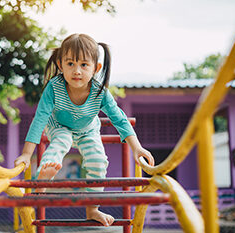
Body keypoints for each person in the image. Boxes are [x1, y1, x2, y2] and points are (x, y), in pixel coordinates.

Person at [14, 33, 155, 227]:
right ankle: (42, 181)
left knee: (98, 160)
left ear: (96, 68)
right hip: (59, 126)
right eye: (70, 63)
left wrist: (137, 148)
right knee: (61, 141)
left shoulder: (99, 91)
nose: (77, 71)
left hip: (88, 130)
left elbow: (119, 119)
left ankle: (92, 209)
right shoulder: (54, 88)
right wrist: (25, 154)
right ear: (60, 64)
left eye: (83, 65)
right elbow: (40, 119)